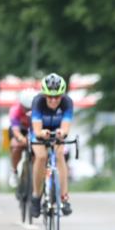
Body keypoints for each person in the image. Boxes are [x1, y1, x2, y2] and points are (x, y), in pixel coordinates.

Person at [30, 73, 74, 218]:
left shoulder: (67, 102)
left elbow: (66, 128)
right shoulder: (38, 102)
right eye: (50, 97)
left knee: (60, 154)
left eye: (57, 97)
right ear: (44, 95)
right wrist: (42, 133)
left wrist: (62, 132)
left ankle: (64, 198)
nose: (54, 100)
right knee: (41, 157)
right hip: (40, 131)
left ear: (62, 95)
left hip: (56, 131)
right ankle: (36, 196)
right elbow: (36, 131)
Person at [8, 89, 36, 187]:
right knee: (15, 146)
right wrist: (21, 139)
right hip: (20, 130)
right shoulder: (15, 110)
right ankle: (14, 171)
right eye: (26, 109)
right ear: (21, 105)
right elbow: (15, 130)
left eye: (31, 109)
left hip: (34, 129)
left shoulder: (39, 108)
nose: (28, 111)